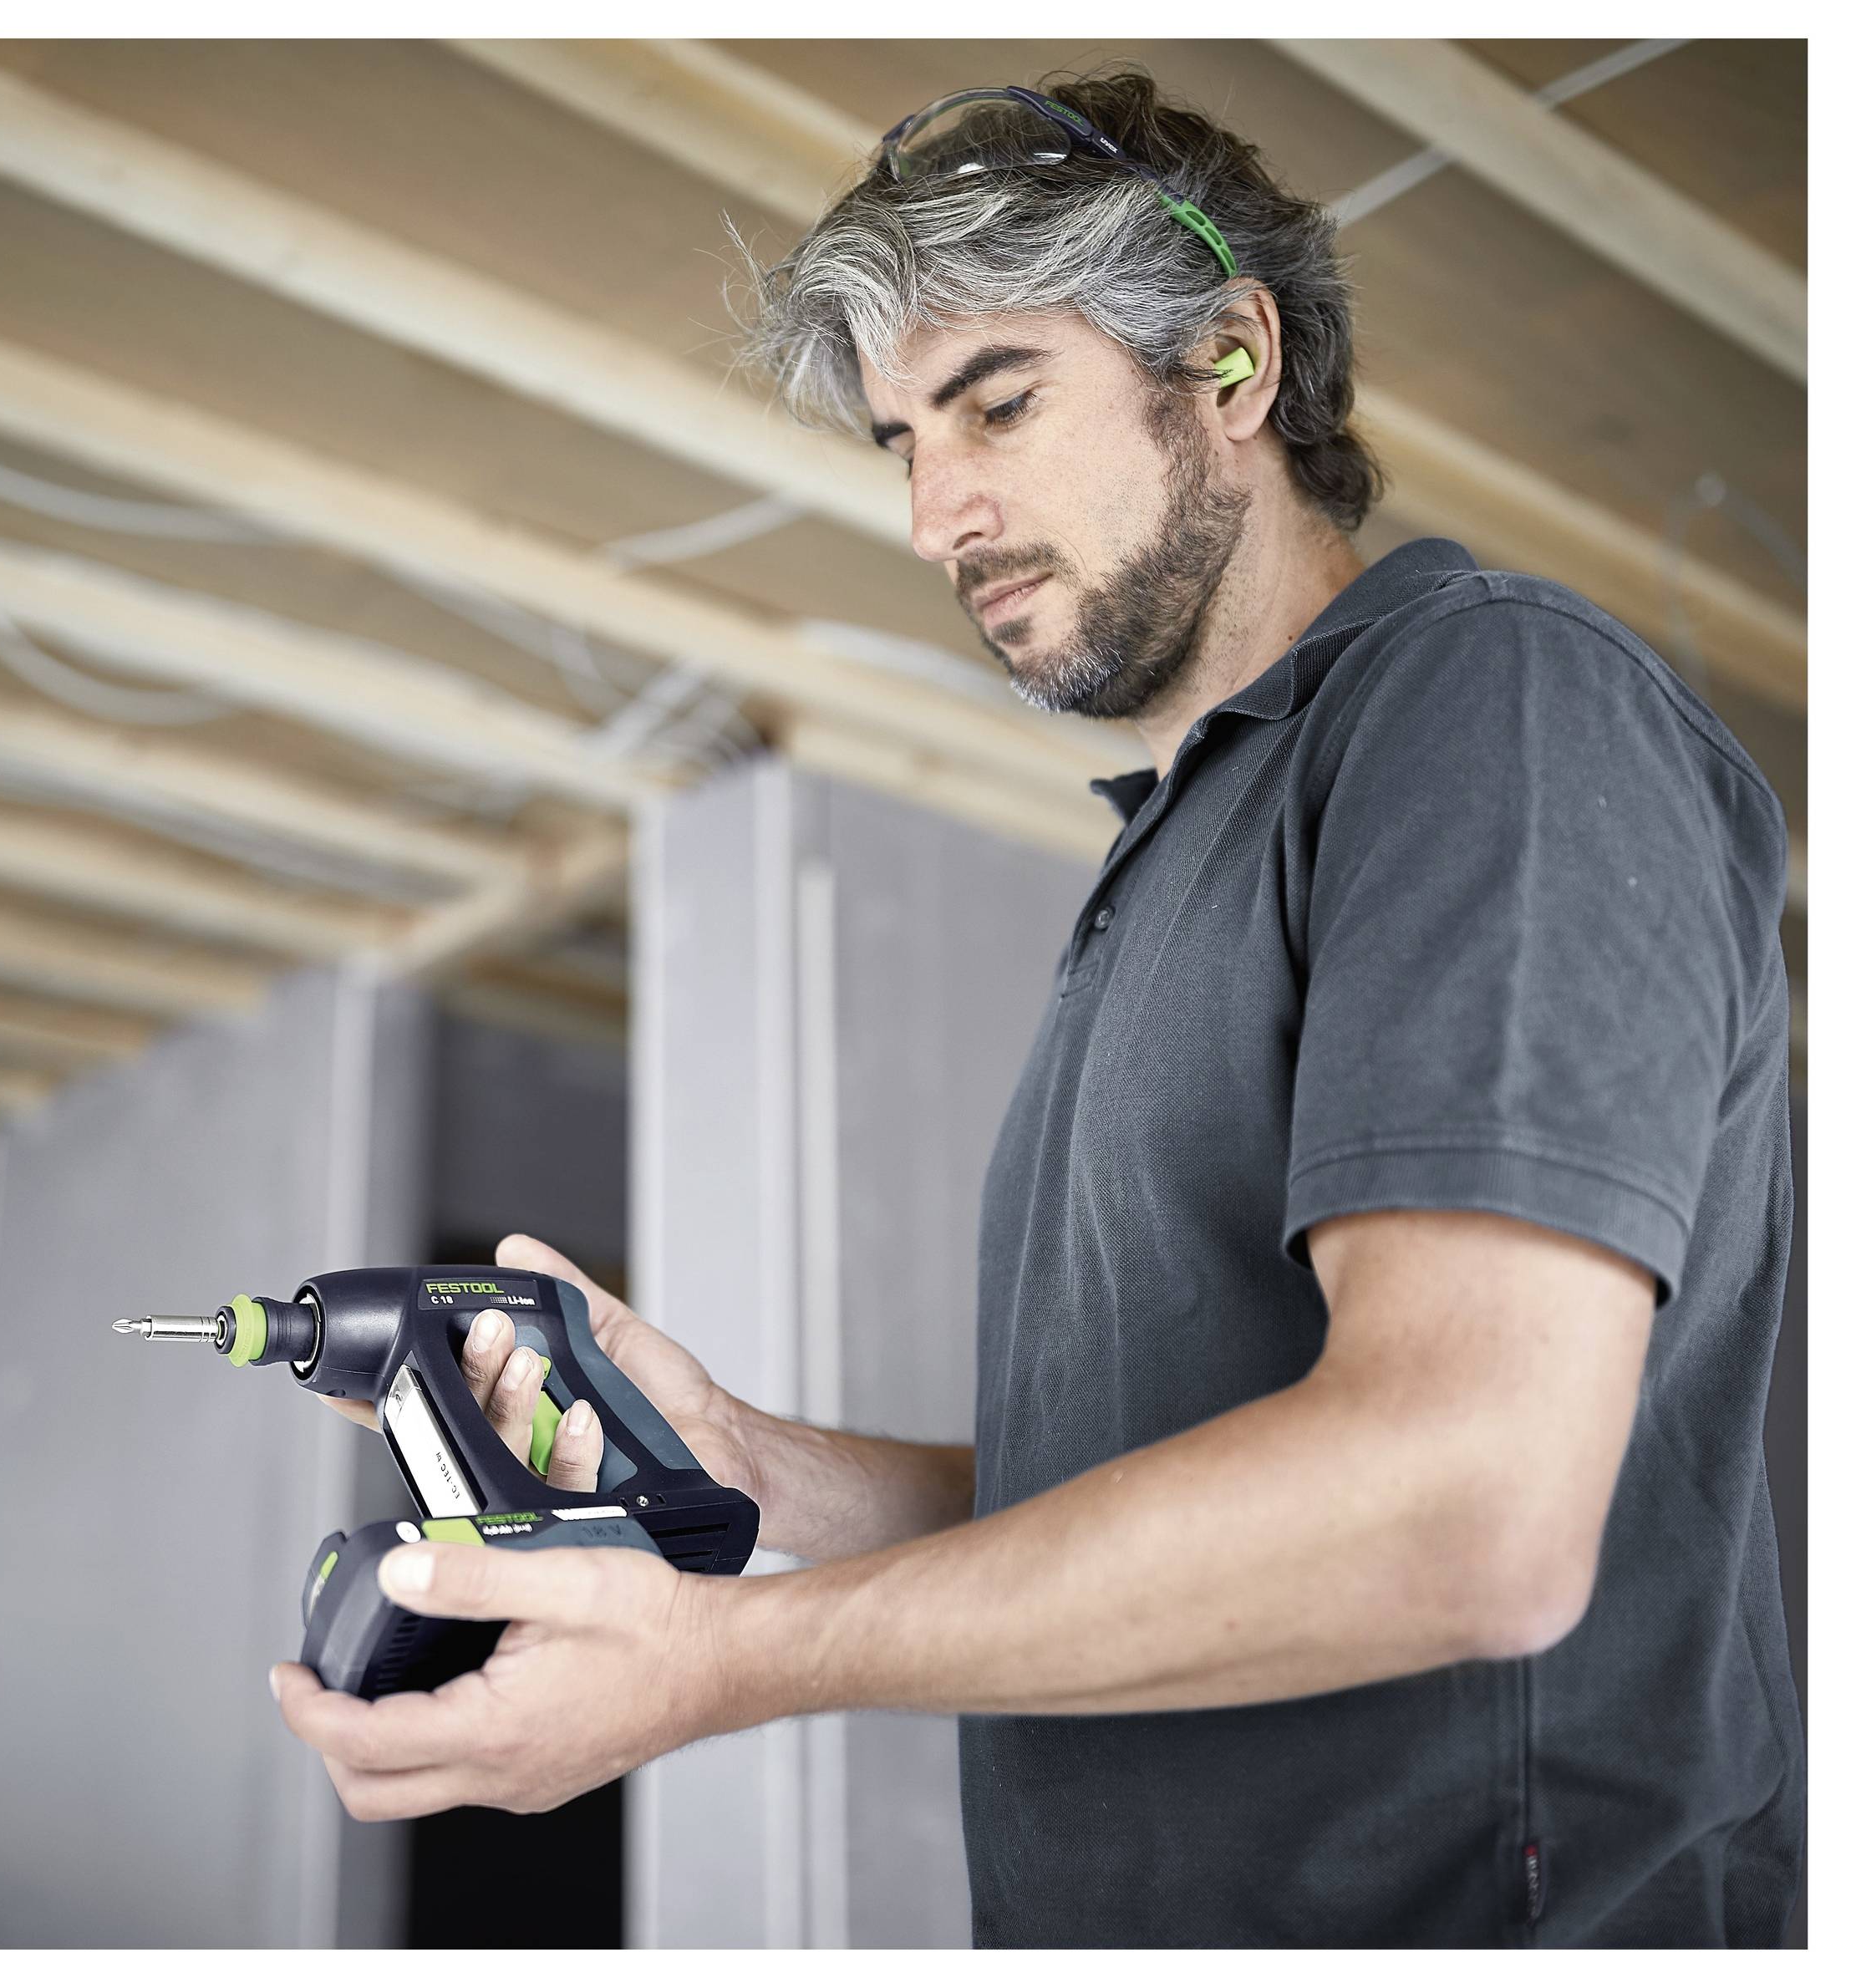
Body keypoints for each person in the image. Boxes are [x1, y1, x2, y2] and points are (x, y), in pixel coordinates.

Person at [271, 71, 1803, 1946]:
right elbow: (1168, 1480)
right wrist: (754, 1470)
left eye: (997, 404)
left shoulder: (1488, 713)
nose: (936, 513)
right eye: (904, 442)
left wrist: (721, 1657)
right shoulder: (1172, 858)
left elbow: (1463, 1499)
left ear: (1233, 365)